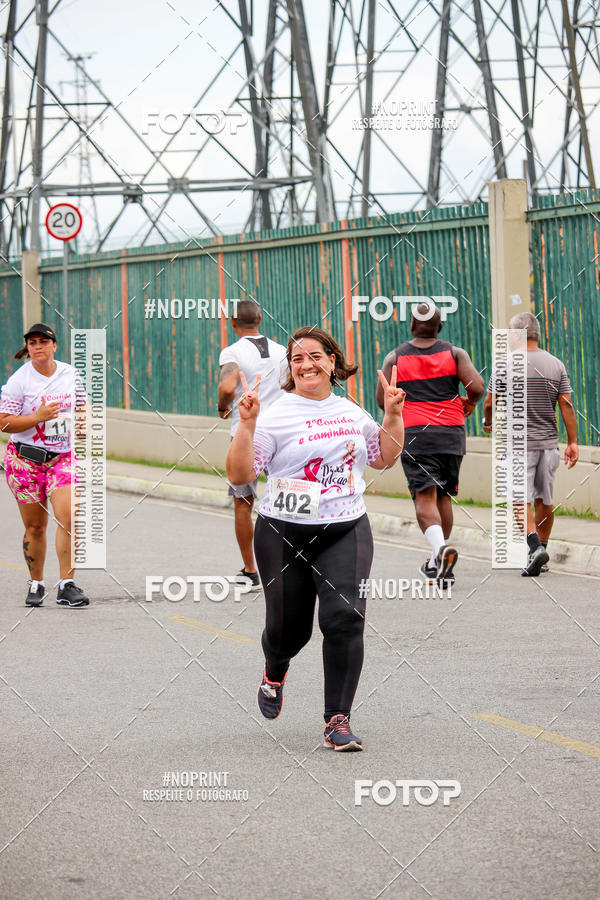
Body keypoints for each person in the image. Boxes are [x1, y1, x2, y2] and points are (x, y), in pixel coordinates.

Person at [226, 326, 405, 751]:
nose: (306, 364)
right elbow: (240, 475)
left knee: (345, 619)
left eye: (316, 356)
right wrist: (246, 426)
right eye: (297, 358)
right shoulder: (272, 414)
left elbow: (384, 458)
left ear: (332, 362)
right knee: (289, 630)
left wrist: (393, 415)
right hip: (283, 533)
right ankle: (275, 669)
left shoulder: (350, 412)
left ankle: (337, 720)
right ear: (290, 368)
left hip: (345, 528)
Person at [377, 302, 484, 586]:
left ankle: (439, 552)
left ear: (412, 326)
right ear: (440, 327)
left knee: (425, 497)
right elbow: (476, 387)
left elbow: (382, 399)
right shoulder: (455, 353)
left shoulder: (395, 358)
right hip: (451, 435)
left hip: (416, 436)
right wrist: (469, 402)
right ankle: (440, 561)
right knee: (444, 497)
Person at [483, 311, 578, 576]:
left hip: (518, 446)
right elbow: (566, 405)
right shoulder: (555, 364)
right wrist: (572, 442)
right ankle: (542, 551)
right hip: (549, 445)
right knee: (544, 499)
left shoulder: (504, 365)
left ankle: (534, 547)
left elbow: (490, 403)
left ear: (516, 334)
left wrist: (487, 422)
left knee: (518, 499)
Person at [0, 323, 89, 607]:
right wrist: (38, 416)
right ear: (27, 348)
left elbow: (82, 404)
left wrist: (83, 421)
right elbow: (3, 422)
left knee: (69, 516)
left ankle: (67, 584)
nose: (38, 346)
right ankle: (36, 583)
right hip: (25, 459)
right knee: (36, 526)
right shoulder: (20, 380)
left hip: (62, 456)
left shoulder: (70, 373)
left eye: (43, 341)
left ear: (54, 345)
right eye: (32, 342)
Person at [218, 300, 287, 589]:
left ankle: (250, 571)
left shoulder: (232, 351)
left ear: (232, 324)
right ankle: (289, 565)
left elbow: (226, 385)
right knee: (287, 500)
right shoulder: (283, 351)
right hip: (282, 433)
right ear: (260, 318)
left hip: (247, 432)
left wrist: (222, 407)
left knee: (243, 503)